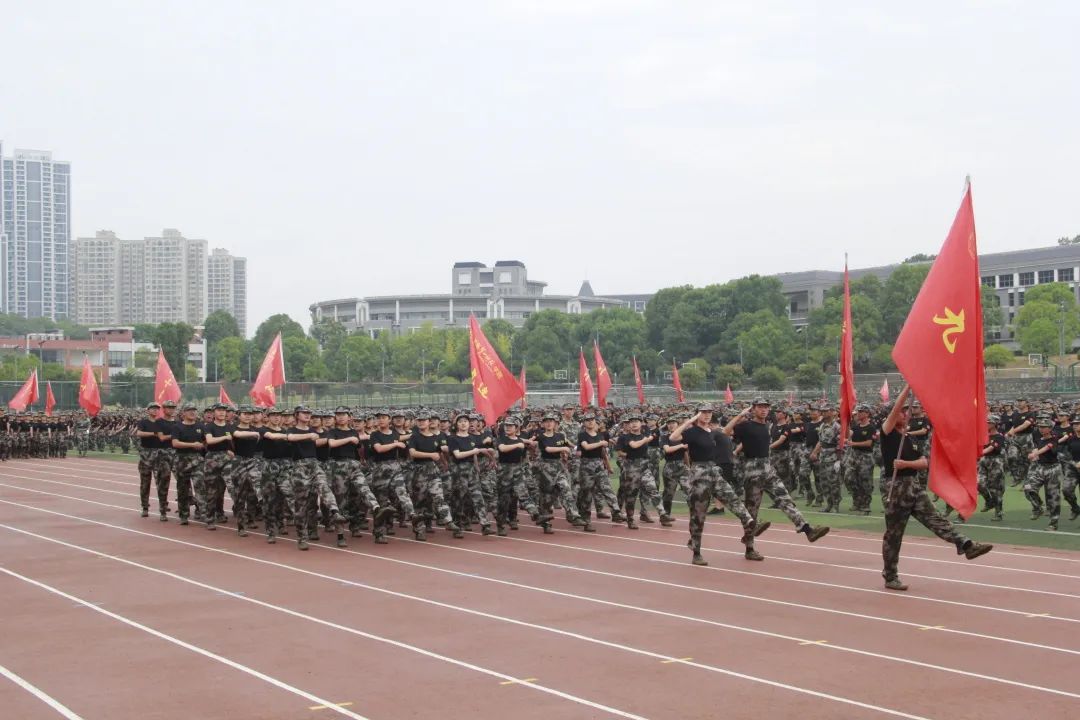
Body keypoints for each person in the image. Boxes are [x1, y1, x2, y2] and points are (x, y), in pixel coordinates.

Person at [880, 385, 992, 591]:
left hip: (913, 486)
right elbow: (895, 409)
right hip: (895, 488)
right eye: (902, 412)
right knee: (894, 534)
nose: (905, 414)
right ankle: (890, 575)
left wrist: (906, 464)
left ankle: (966, 545)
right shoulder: (887, 433)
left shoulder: (910, 438)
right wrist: (908, 386)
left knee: (936, 519)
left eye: (906, 411)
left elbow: (924, 462)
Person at [726, 398, 830, 561]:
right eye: (760, 407)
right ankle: (749, 548)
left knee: (785, 499)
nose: (764, 410)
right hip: (752, 470)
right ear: (753, 409)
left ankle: (808, 530)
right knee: (752, 511)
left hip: (768, 468)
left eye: (766, 407)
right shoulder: (745, 426)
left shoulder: (768, 425)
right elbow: (725, 432)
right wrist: (740, 415)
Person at [669, 404, 769, 566]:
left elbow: (726, 431)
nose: (707, 415)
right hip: (699, 474)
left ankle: (752, 523)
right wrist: (691, 420)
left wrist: (740, 415)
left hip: (714, 471)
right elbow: (673, 437)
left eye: (709, 412)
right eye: (703, 412)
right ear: (697, 414)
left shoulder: (713, 432)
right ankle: (696, 552)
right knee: (698, 515)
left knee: (733, 499)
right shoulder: (692, 432)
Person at [1025, 415, 1063, 531]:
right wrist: (1033, 453)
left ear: (1050, 428)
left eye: (1044, 427)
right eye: (1040, 427)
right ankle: (1038, 507)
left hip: (1053, 469)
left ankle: (1053, 523)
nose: (1041, 429)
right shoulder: (1039, 438)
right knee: (1028, 488)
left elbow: (1047, 447)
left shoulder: (1055, 438)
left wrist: (1035, 454)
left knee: (1053, 496)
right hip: (1040, 468)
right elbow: (1038, 448)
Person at [135, 402, 163, 518]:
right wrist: (154, 433)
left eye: (157, 409)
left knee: (160, 483)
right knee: (145, 483)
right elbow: (139, 433)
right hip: (146, 454)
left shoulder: (160, 423)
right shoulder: (143, 422)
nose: (155, 410)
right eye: (153, 408)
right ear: (148, 410)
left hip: (158, 454)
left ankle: (163, 508)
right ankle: (145, 507)